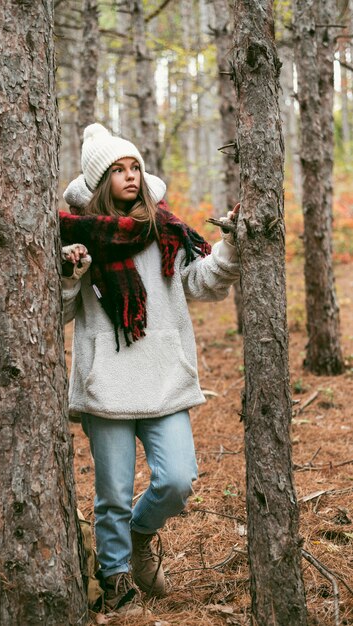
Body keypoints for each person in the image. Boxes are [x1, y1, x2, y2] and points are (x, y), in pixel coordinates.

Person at [60, 123, 240, 616]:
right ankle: (116, 578)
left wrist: (231, 247)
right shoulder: (79, 238)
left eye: (134, 166)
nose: (130, 176)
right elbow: (58, 313)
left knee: (178, 479)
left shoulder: (165, 229)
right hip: (107, 383)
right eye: (117, 170)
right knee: (113, 495)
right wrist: (70, 274)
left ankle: (140, 539)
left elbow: (201, 283)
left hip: (163, 377)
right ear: (101, 182)